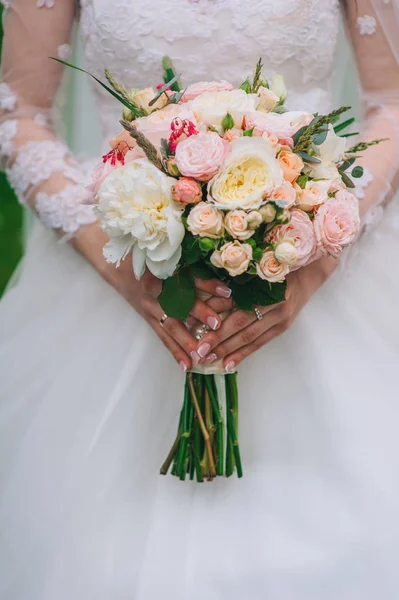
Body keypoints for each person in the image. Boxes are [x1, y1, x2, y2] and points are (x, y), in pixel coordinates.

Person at [0, 1, 398, 598]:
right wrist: (120, 262)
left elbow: (391, 104)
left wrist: (318, 256)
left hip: (314, 263)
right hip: (118, 264)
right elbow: (19, 112)